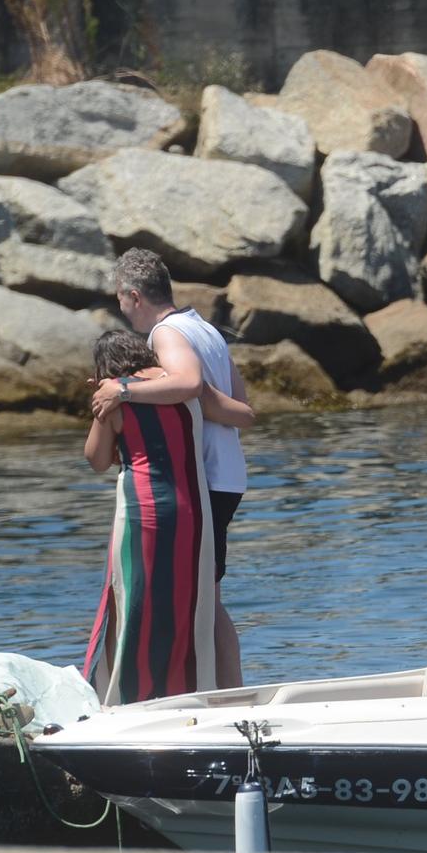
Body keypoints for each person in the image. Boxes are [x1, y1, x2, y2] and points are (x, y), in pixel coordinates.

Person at [90, 248, 254, 687]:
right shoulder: (205, 329)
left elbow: (188, 383)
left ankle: (228, 694)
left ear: (133, 295)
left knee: (206, 600)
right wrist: (199, 396)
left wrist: (122, 390)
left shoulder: (166, 334)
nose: (121, 310)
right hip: (229, 476)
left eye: (120, 300)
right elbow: (244, 413)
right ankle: (218, 688)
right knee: (206, 595)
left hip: (204, 480)